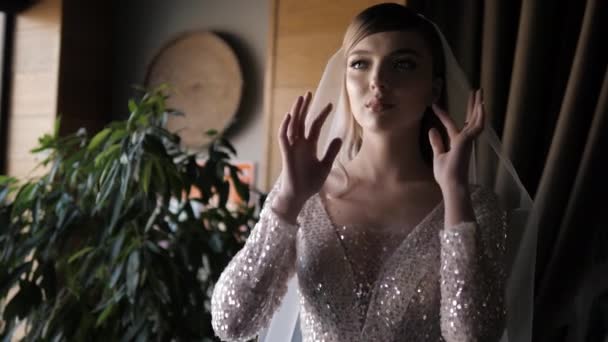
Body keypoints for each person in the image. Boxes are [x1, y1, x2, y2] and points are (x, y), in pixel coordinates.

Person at [211, 3, 534, 341]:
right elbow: (232, 324)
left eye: (403, 64)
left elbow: (474, 336)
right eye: (360, 64)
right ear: (345, 79)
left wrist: (455, 196)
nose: (378, 80)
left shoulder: (475, 206)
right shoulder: (305, 195)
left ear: (434, 89)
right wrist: (288, 201)